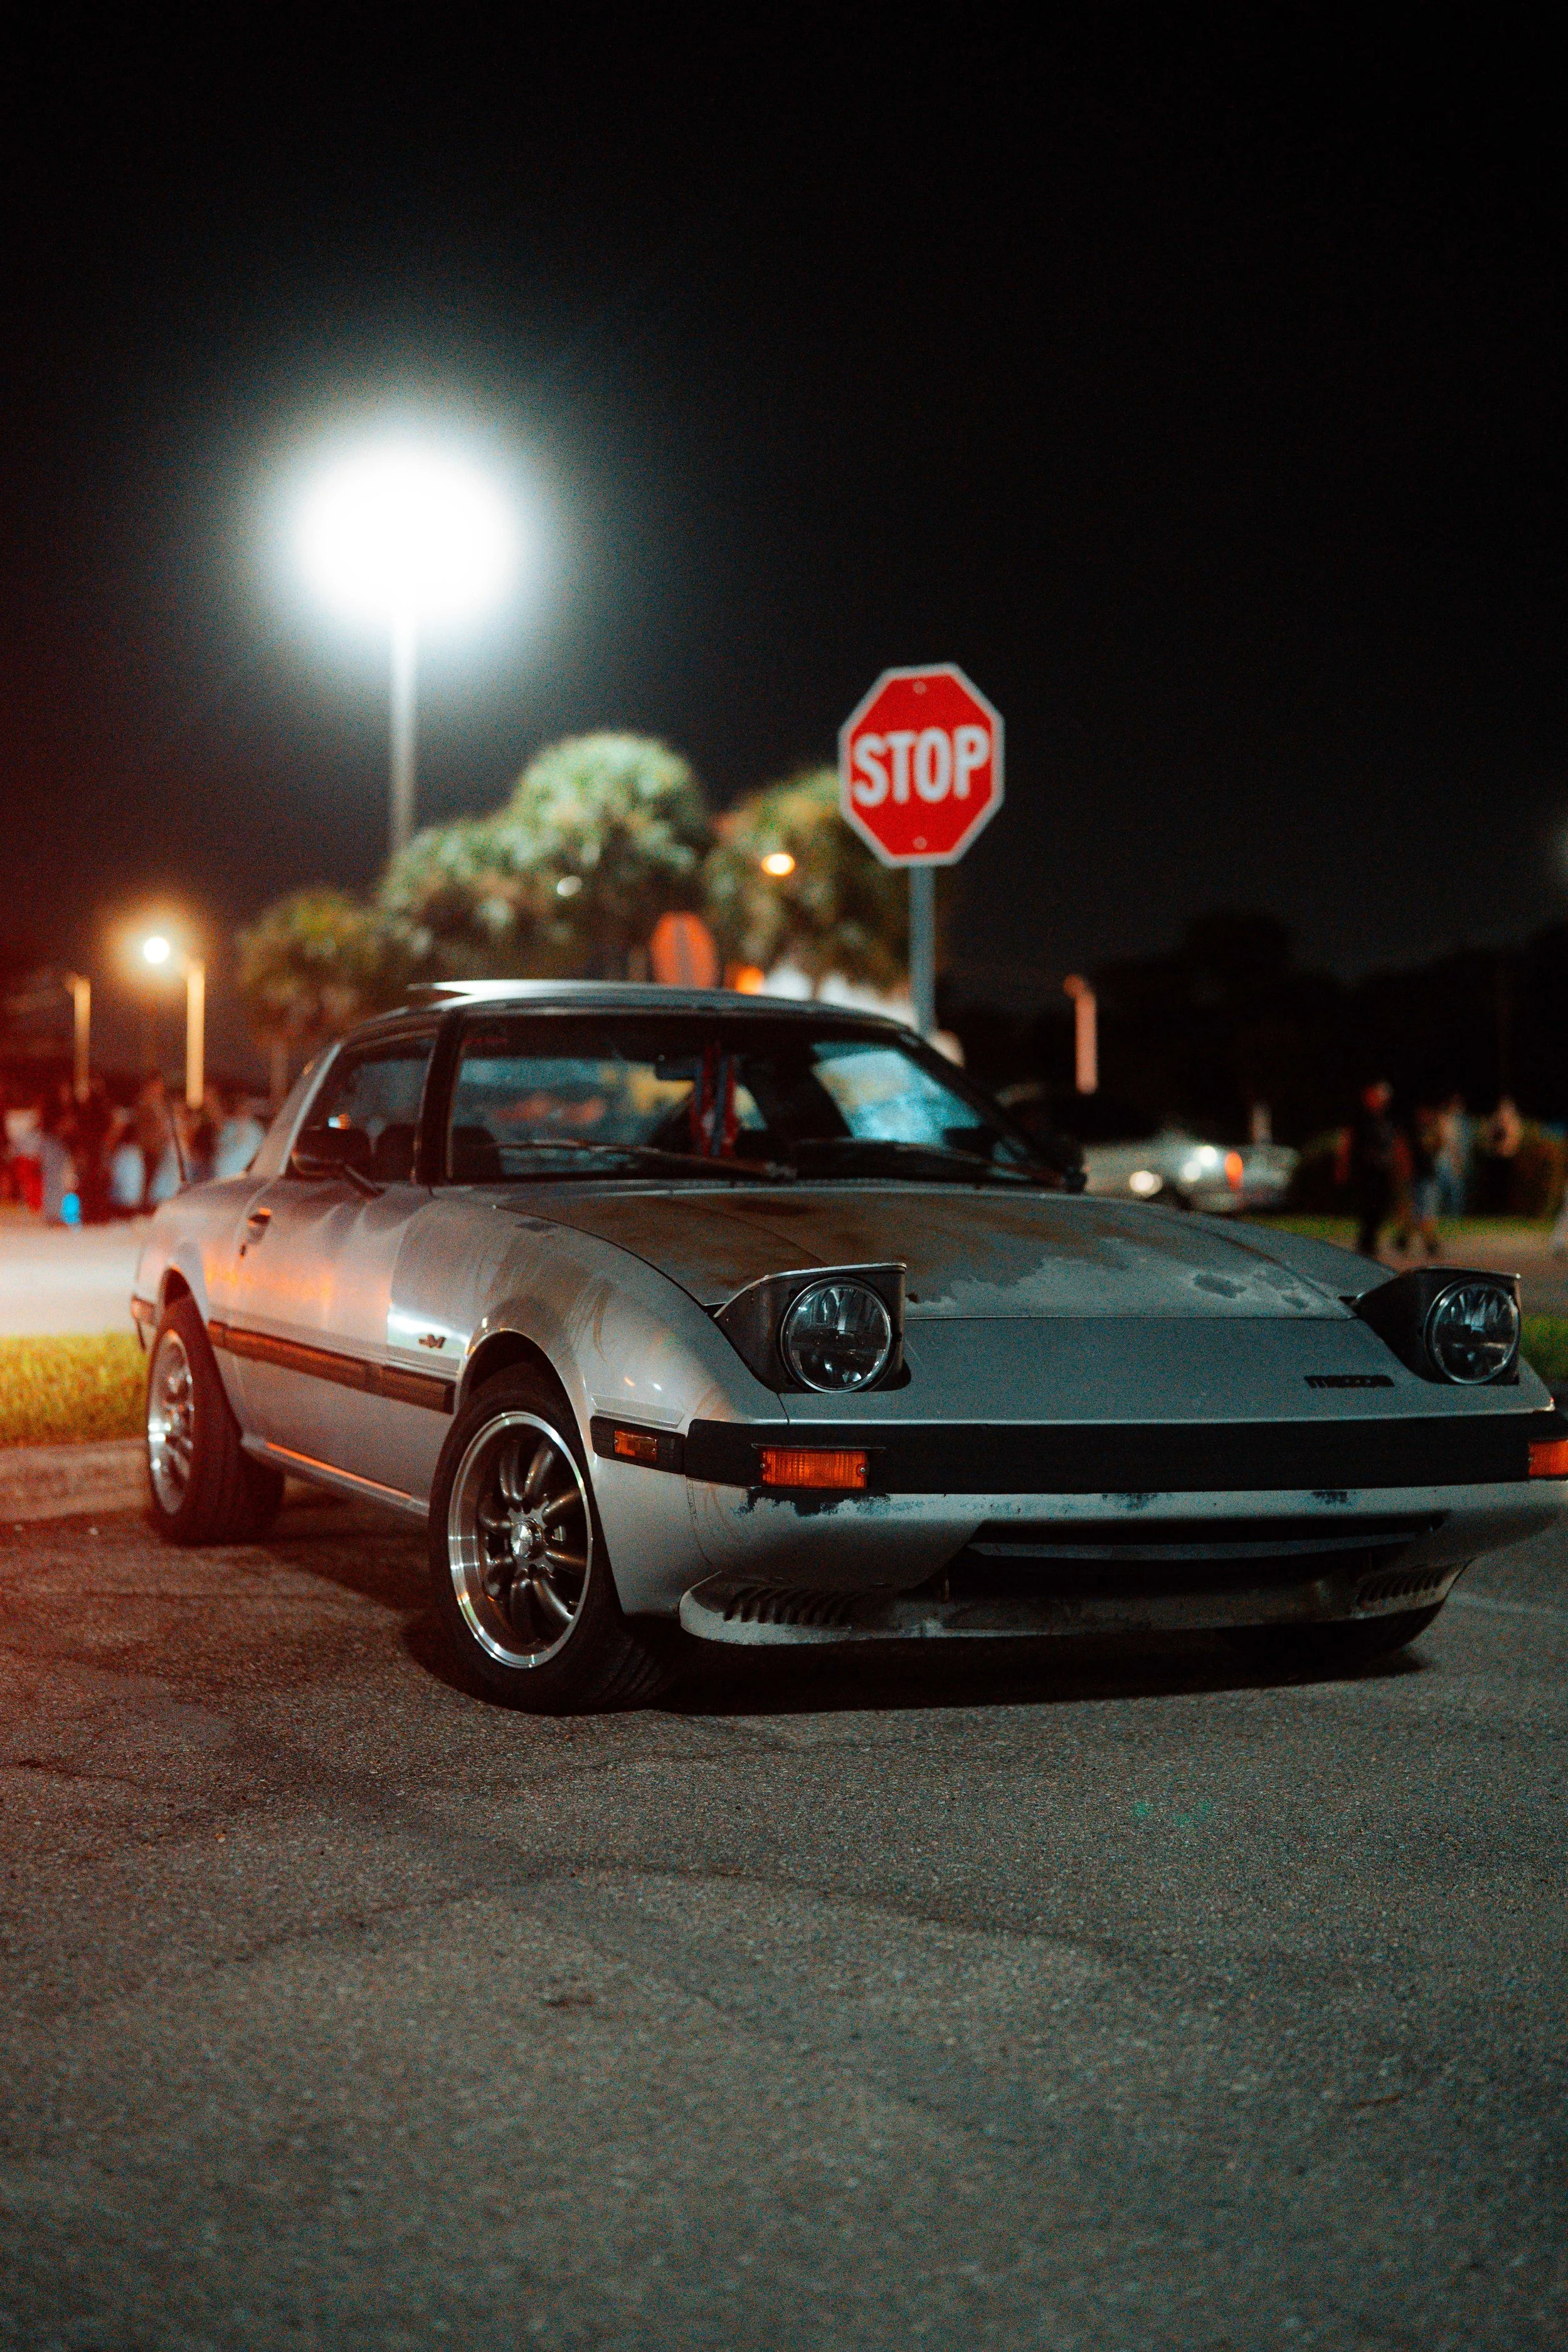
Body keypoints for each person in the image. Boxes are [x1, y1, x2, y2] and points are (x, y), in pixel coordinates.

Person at [1337, 1079, 1398, 1260]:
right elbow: (1347, 1142)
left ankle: (1369, 1242)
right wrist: (1343, 1166)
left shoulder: (1385, 1119)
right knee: (1369, 1207)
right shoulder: (1360, 1118)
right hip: (1365, 1171)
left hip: (1382, 1171)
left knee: (1380, 1207)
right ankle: (1365, 1245)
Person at [213, 1086, 267, 1179]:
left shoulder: (256, 1130)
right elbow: (221, 1151)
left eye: (244, 1103)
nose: (242, 1107)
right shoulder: (229, 1126)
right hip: (223, 1179)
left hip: (244, 1180)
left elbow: (262, 1154)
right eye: (239, 1103)